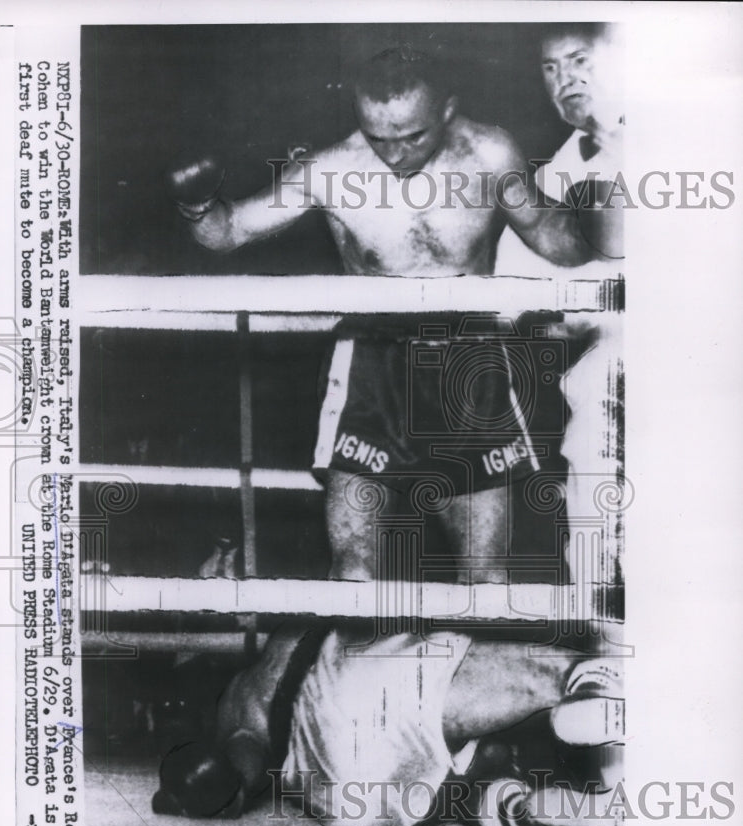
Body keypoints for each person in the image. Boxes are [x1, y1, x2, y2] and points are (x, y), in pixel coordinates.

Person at [167, 46, 619, 583]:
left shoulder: (490, 154)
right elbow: (229, 231)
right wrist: (196, 203)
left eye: (414, 137)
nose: (396, 155)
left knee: (486, 578)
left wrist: (602, 220)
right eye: (380, 138)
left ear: (447, 110)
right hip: (372, 365)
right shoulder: (331, 170)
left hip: (468, 361)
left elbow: (553, 238)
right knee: (354, 574)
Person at [152, 623, 625, 826]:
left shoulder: (239, 713)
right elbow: (237, 765)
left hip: (340, 795)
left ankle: (517, 805)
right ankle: (597, 698)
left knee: (477, 787)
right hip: (352, 685)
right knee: (550, 673)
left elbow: (240, 772)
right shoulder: (266, 662)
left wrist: (208, 789)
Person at [495, 23, 626, 602]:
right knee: (598, 568)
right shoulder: (555, 176)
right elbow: (506, 298)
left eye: (579, 59)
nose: (565, 78)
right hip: (600, 401)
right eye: (550, 68)